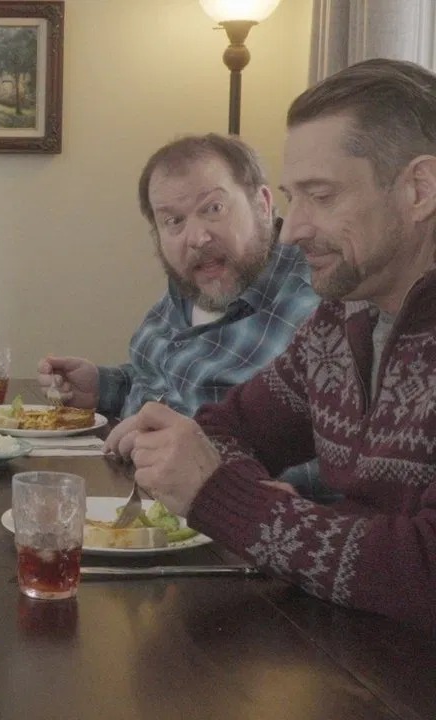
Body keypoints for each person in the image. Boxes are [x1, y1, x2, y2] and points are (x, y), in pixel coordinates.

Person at [106, 58, 436, 630]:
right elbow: (223, 429)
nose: (293, 227)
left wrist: (225, 499)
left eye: (321, 196)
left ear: (419, 189)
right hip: (347, 652)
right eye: (292, 196)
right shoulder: (339, 321)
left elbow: (421, 571)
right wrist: (248, 502)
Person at [36, 134, 325, 497]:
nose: (196, 238)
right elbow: (164, 380)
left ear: (263, 204)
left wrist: (238, 484)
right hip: (128, 489)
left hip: (222, 520)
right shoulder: (192, 282)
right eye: (173, 221)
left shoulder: (316, 303)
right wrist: (104, 387)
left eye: (214, 209)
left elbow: (347, 461)